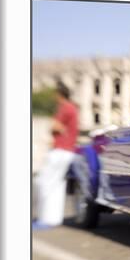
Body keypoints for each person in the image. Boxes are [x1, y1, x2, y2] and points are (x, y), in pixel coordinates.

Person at [34, 81, 79, 228]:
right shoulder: (72, 107)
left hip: (60, 150)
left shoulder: (64, 108)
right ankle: (52, 219)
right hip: (67, 151)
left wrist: (52, 123)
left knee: (43, 182)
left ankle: (45, 219)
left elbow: (55, 126)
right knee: (56, 185)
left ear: (59, 95)